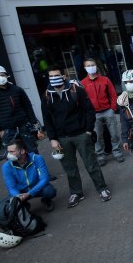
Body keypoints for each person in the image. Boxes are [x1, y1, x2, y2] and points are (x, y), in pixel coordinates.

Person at [41, 64, 111, 207]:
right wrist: (53, 139)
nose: (54, 79)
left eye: (57, 76)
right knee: (69, 168)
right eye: (51, 77)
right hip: (61, 138)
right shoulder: (47, 96)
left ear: (64, 77)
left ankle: (102, 188)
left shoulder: (76, 90)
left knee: (91, 164)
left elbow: (89, 111)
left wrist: (88, 131)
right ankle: (76, 193)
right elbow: (47, 119)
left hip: (80, 134)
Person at [0, 65, 43, 153]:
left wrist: (33, 122)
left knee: (32, 151)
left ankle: (36, 167)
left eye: (2, 75)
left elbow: (27, 106)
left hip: (23, 126)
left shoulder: (17, 90)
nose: (0, 77)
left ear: (7, 76)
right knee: (13, 156)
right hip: (6, 130)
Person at [80, 58, 124, 165]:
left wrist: (112, 109)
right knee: (97, 136)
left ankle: (117, 152)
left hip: (107, 111)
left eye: (92, 65)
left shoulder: (105, 80)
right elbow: (82, 100)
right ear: (85, 68)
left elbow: (113, 95)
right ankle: (100, 155)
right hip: (93, 114)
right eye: (88, 65)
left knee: (114, 134)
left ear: (96, 66)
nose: (91, 67)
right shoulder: (82, 83)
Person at [2, 137, 56, 212]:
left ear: (23, 151)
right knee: (10, 201)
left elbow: (45, 179)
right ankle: (24, 205)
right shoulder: (6, 166)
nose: (8, 155)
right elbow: (11, 187)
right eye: (8, 152)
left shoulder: (37, 158)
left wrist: (30, 193)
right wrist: (18, 196)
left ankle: (46, 200)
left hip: (37, 187)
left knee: (49, 191)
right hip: (21, 191)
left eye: (12, 152)